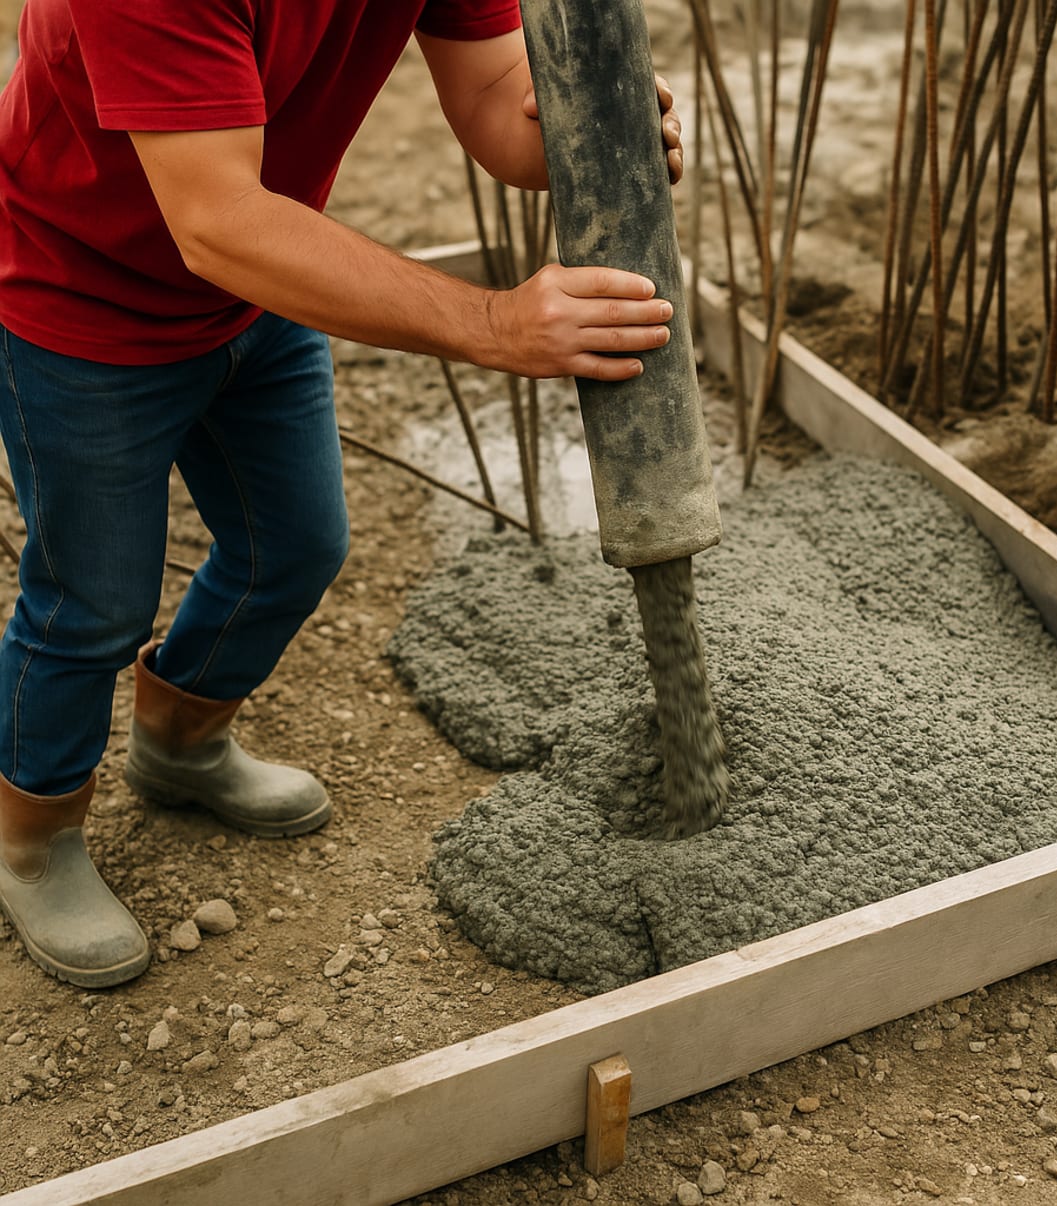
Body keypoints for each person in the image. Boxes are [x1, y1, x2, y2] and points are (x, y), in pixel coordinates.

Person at [0, 0, 684, 988]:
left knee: (295, 544)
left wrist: (584, 131)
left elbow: (494, 90)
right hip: (80, 307)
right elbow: (218, 223)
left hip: (258, 289)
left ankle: (179, 744)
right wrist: (494, 323)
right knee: (91, 605)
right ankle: (33, 837)